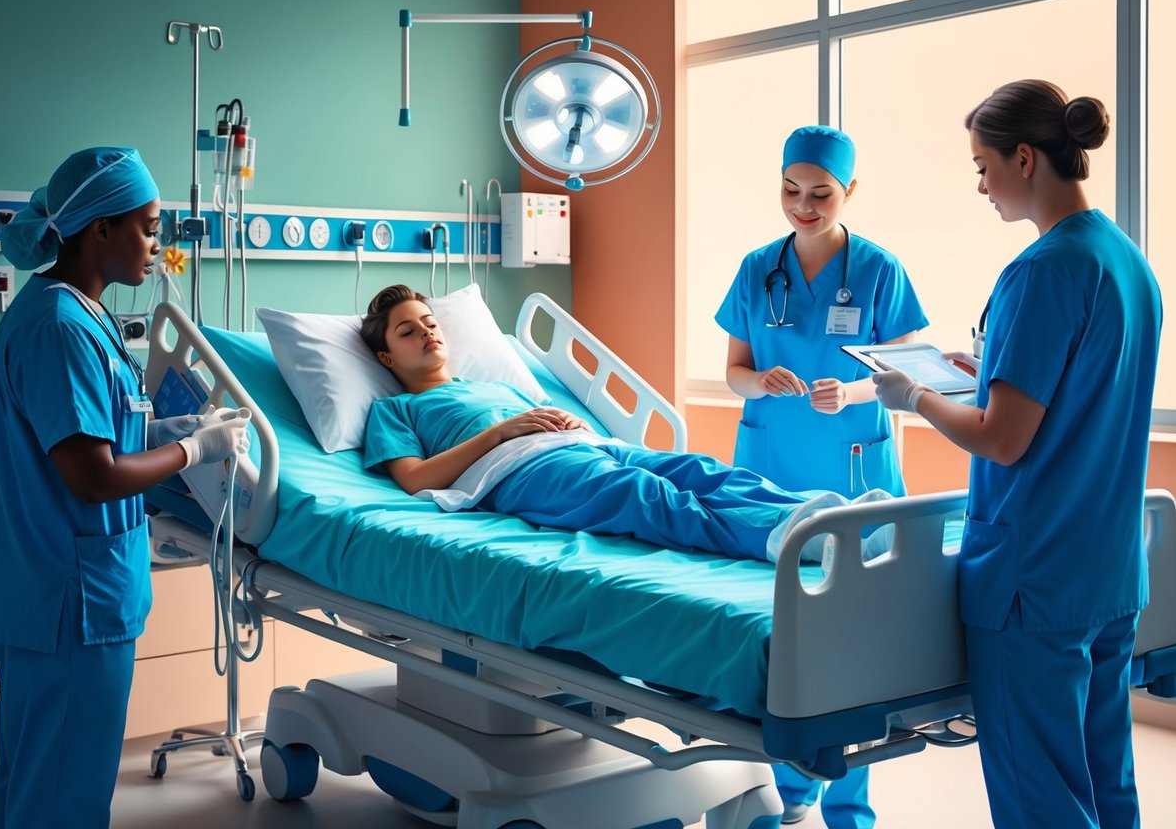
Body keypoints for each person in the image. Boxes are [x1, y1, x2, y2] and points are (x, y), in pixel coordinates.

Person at [872, 80, 1161, 828]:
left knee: (1042, 798)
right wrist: (984, 374)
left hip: (1031, 579)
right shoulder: (1125, 260)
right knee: (1102, 780)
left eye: (982, 165)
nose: (979, 185)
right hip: (1102, 570)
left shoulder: (1039, 271)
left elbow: (1002, 439)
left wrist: (915, 398)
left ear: (1024, 158)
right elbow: (1080, 391)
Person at [0, 147, 251, 829]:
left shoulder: (80, 315)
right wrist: (194, 448)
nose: (159, 245)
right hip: (70, 599)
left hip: (62, 591)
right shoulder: (59, 327)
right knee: (64, 793)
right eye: (149, 227)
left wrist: (167, 431)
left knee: (38, 776)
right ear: (100, 229)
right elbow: (92, 475)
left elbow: (104, 435)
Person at [359, 284, 892, 566]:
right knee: (649, 496)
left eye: (430, 323)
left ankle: (834, 518)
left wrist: (553, 423)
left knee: (700, 471)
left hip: (584, 445)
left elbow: (533, 417)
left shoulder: (494, 384)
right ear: (386, 358)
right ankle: (803, 542)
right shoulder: (395, 410)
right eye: (408, 332)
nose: (428, 334)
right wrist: (502, 432)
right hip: (517, 474)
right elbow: (415, 479)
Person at [715, 125, 928, 827]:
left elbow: (905, 370)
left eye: (819, 194)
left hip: (852, 459)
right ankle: (790, 789)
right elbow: (734, 371)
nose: (802, 206)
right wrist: (757, 381)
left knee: (852, 634)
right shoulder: (755, 268)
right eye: (789, 191)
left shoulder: (877, 270)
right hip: (772, 460)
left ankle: (847, 801)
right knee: (783, 632)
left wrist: (856, 390)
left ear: (849, 192)